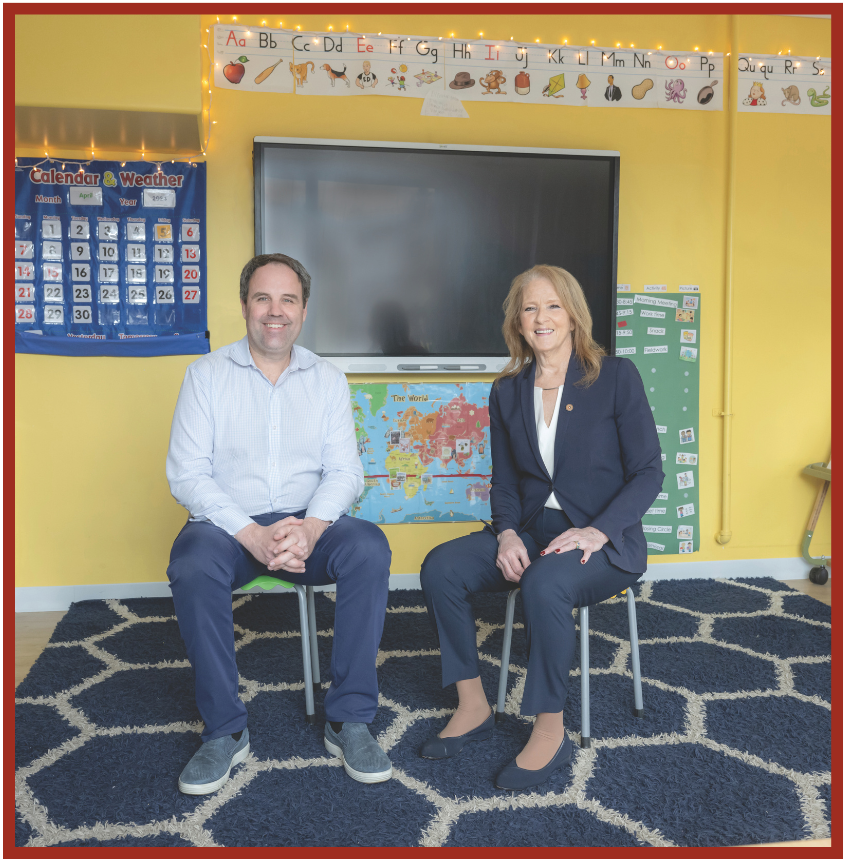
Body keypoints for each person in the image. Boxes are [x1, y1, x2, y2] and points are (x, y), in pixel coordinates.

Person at [419, 265, 663, 790]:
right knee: (442, 567)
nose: (541, 317)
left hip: (605, 539)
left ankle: (548, 725)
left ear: (574, 315)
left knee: (545, 581)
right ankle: (473, 704)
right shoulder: (507, 390)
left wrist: (597, 532)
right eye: (530, 308)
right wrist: (506, 533)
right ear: (518, 322)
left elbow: (648, 472)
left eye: (553, 306)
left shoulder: (616, 376)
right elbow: (504, 479)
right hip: (529, 528)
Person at [166, 253, 393, 795]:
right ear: (245, 305)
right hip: (227, 528)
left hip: (306, 523)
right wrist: (251, 533)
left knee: (369, 548)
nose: (275, 312)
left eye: (287, 299)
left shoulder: (327, 379)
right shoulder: (206, 376)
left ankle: (349, 719)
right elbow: (188, 475)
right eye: (263, 298)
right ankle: (225, 731)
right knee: (191, 563)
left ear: (303, 310)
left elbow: (344, 472)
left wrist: (311, 529)